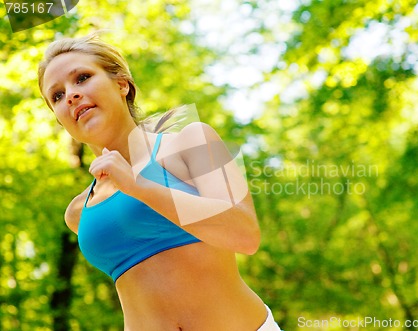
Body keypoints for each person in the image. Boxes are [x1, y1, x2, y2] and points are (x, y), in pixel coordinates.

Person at [38, 32, 281, 331]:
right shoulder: (78, 212)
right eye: (57, 96)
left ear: (121, 84)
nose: (71, 95)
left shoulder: (192, 141)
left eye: (83, 77)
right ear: (60, 119)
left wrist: (139, 187)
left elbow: (245, 234)